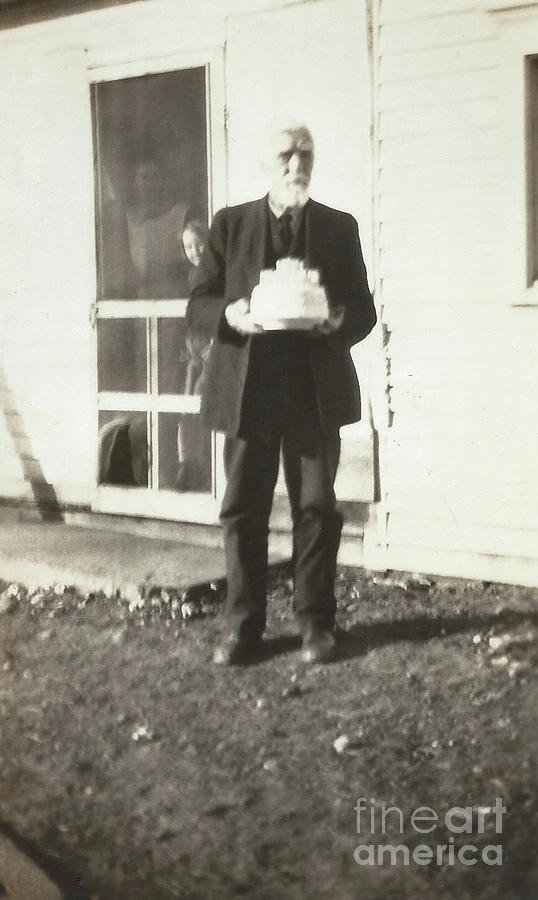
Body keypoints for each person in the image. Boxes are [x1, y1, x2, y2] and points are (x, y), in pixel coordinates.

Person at [187, 117, 377, 665]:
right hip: (250, 390)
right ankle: (243, 628)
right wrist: (231, 313)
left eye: (306, 156)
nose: (297, 165)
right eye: (287, 156)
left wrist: (336, 319)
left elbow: (362, 311)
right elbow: (197, 304)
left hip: (312, 391)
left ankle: (316, 624)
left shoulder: (339, 228)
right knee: (244, 508)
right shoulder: (230, 226)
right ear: (266, 166)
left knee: (317, 507)